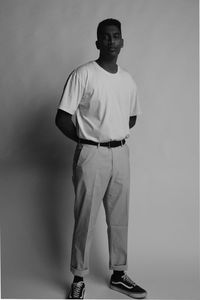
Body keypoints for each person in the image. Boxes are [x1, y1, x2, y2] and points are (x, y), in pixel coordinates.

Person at [55, 18, 147, 299]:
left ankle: (119, 274)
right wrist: (88, 140)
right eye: (105, 37)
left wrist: (111, 136)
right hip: (91, 154)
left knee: (119, 217)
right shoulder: (83, 74)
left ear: (122, 42)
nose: (110, 41)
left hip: (120, 153)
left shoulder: (128, 79)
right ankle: (79, 277)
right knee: (85, 217)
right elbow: (61, 118)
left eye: (115, 36)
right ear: (97, 42)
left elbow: (130, 117)